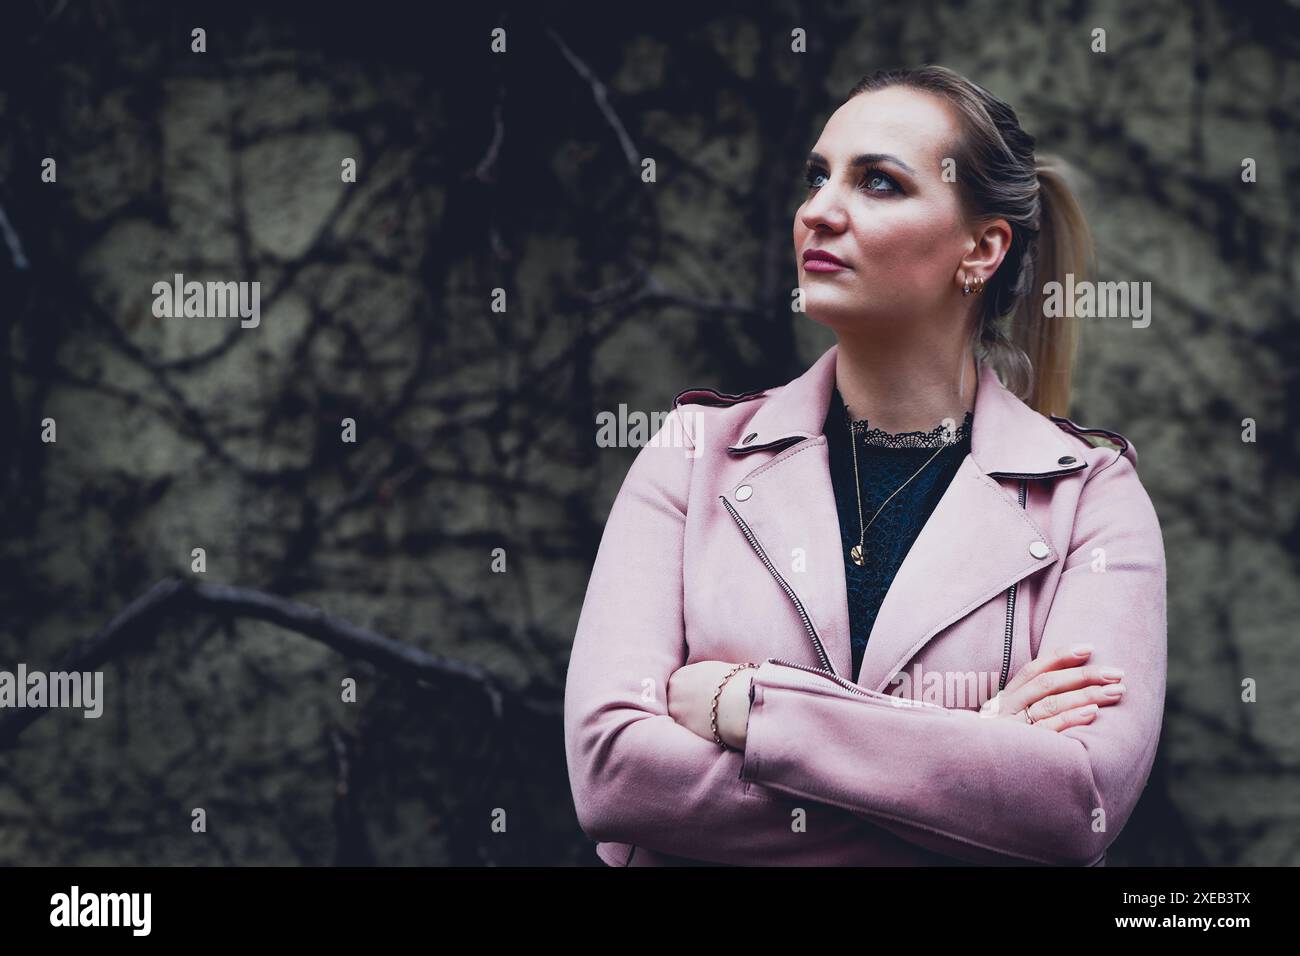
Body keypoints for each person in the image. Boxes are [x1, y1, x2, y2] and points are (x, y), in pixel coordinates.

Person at [563, 65, 1167, 866]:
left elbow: (1071, 807)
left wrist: (746, 706)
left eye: (878, 183)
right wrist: (970, 762)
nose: (819, 210)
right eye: (817, 177)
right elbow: (612, 775)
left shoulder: (1090, 497)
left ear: (980, 248)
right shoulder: (691, 456)